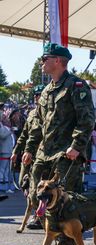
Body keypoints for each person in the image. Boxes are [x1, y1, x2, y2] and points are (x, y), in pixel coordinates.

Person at [22, 42, 95, 245]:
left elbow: (87, 119)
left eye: (45, 58)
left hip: (67, 154)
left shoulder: (76, 86)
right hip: (45, 153)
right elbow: (39, 125)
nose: (42, 62)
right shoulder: (46, 90)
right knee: (36, 197)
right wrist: (29, 148)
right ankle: (54, 238)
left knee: (66, 204)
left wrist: (77, 145)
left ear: (57, 61)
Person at [11, 84, 45, 229]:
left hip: (42, 155)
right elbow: (25, 135)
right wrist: (16, 151)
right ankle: (38, 209)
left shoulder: (50, 111)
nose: (37, 97)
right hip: (28, 154)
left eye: (40, 95)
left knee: (38, 187)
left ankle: (39, 216)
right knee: (22, 182)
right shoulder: (31, 114)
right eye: (36, 95)